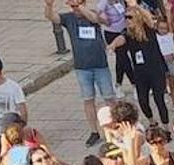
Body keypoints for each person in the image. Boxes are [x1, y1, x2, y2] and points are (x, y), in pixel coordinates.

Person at [46, 0, 119, 146]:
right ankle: (94, 131)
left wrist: (80, 7)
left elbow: (98, 20)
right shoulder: (69, 18)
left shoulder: (93, 13)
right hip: (82, 67)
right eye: (72, 6)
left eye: (76, 5)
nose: (74, 9)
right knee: (88, 99)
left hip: (100, 65)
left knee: (109, 98)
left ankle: (117, 126)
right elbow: (52, 17)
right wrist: (49, 5)